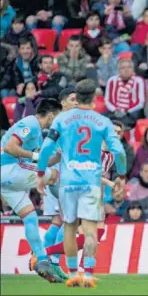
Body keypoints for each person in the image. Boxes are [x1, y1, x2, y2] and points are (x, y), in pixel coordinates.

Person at [36, 79, 127, 288]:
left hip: (68, 182)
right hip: (91, 182)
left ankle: (73, 273)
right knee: (90, 230)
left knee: (69, 227)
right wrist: (120, 176)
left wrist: (41, 173)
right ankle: (88, 274)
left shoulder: (62, 120)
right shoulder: (102, 121)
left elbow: (47, 148)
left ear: (76, 97)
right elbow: (119, 151)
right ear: (94, 98)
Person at [0, 99, 63, 283]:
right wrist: (35, 156)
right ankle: (70, 213)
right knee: (55, 176)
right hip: (9, 170)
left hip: (8, 181)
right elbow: (10, 147)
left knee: (30, 217)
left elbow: (41, 162)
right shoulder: (30, 123)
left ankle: (42, 261)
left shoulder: (38, 134)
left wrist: (58, 155)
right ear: (51, 115)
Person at [39, 88, 77, 280]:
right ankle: (52, 261)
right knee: (70, 219)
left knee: (57, 221)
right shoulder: (60, 123)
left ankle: (45, 261)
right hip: (58, 177)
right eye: (73, 99)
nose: (77, 102)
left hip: (57, 177)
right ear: (63, 103)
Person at [104, 57, 145, 128]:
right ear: (118, 70)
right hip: (115, 111)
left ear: (133, 69)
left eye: (129, 67)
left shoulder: (139, 81)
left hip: (131, 111)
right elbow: (107, 100)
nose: (126, 70)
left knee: (133, 117)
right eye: (123, 68)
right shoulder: (111, 81)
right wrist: (115, 110)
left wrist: (126, 111)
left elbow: (141, 102)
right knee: (101, 118)